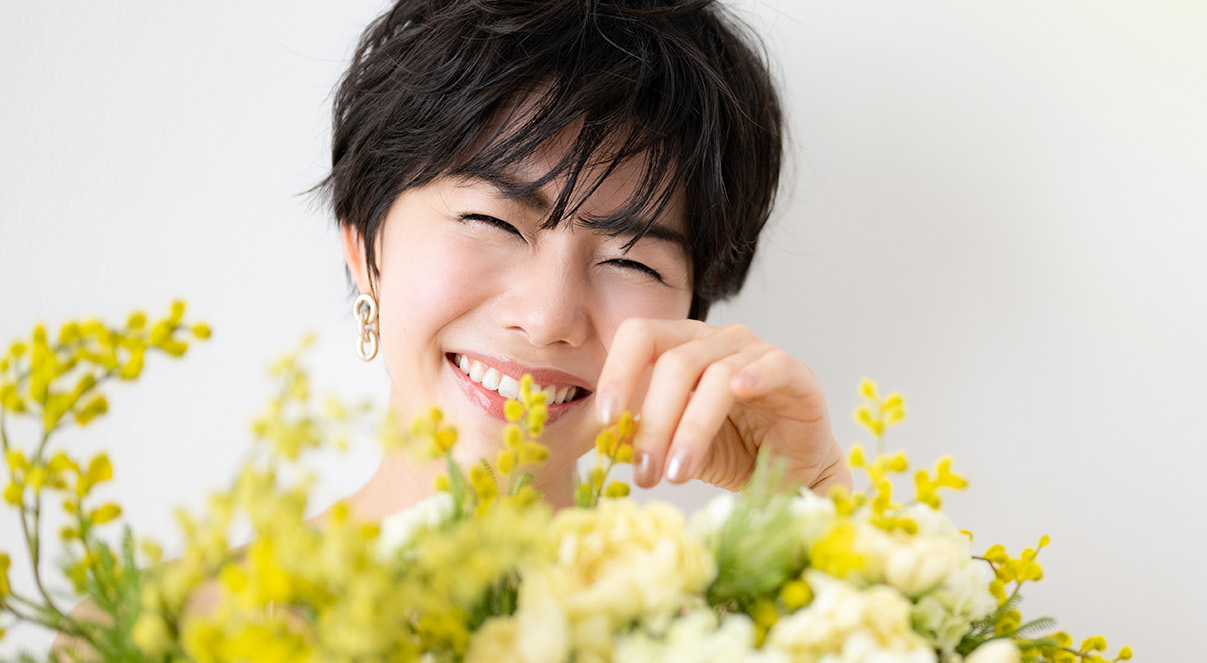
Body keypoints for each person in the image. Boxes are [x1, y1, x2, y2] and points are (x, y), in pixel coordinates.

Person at [321, 0, 850, 519]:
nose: (547, 318)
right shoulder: (242, 604)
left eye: (632, 263)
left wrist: (809, 513)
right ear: (365, 244)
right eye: (494, 223)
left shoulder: (720, 607)